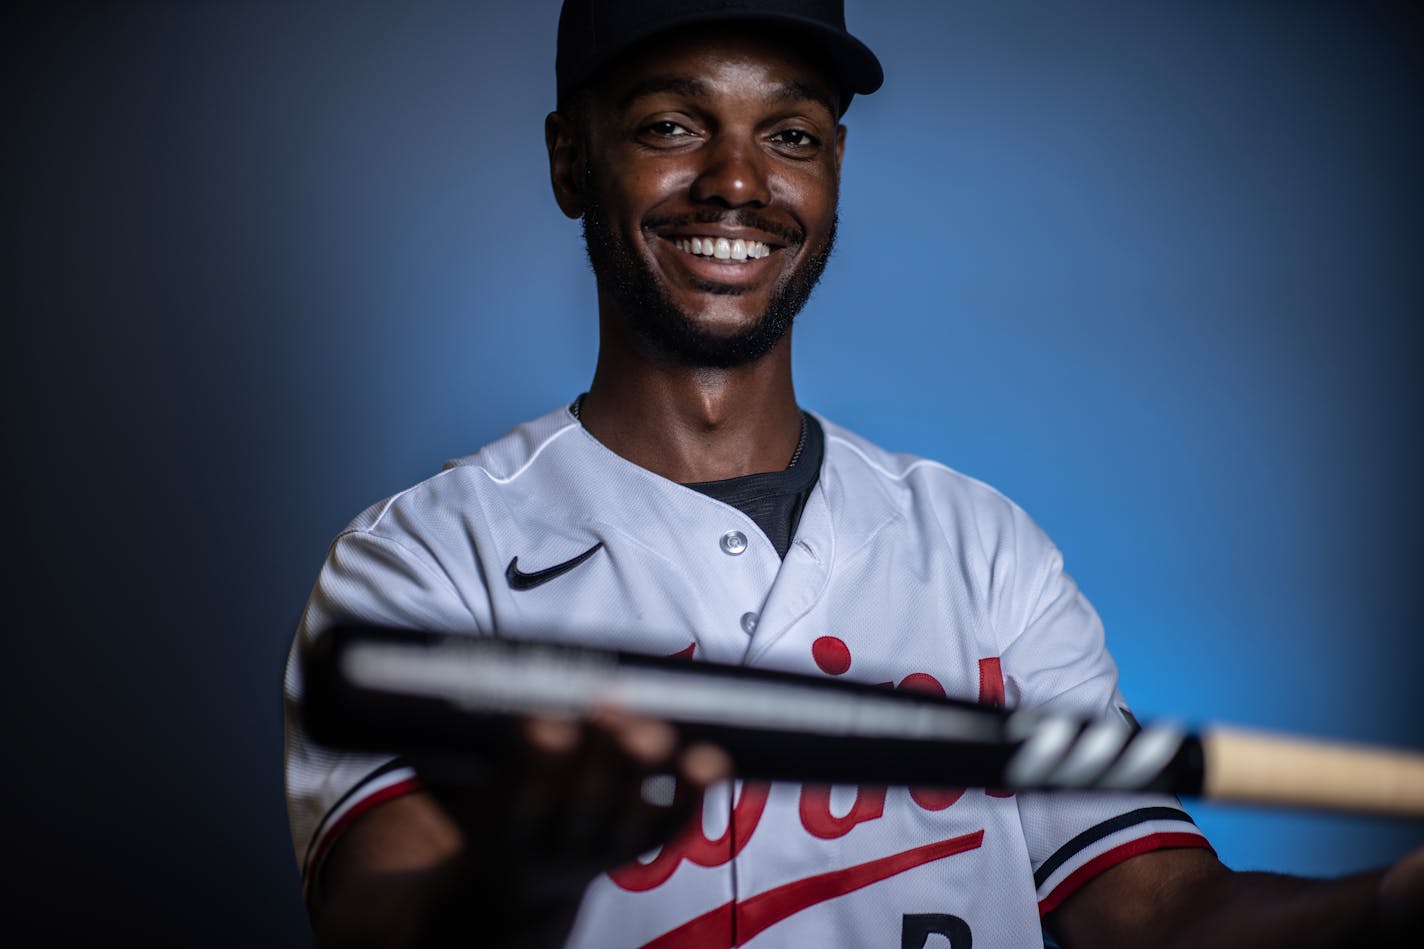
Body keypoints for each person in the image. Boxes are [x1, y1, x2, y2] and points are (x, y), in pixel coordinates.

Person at [283, 2, 1423, 946]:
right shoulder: (426, 556)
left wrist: (1384, 899)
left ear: (832, 170)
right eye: (674, 123)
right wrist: (524, 878)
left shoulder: (980, 547)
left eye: (790, 136)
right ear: (570, 160)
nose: (737, 183)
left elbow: (1154, 910)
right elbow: (377, 920)